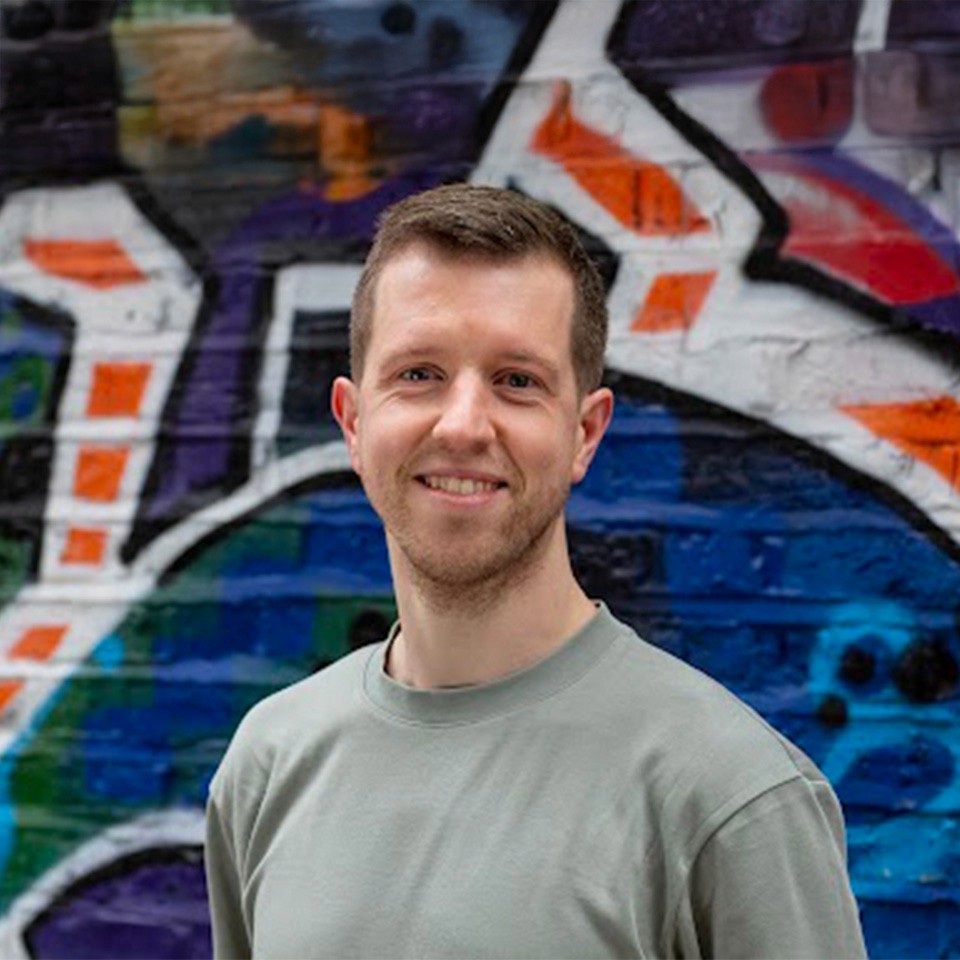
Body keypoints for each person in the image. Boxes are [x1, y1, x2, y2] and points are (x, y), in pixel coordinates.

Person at [204, 184, 867, 959]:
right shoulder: (268, 763)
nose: (462, 425)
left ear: (584, 433)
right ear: (354, 422)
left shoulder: (730, 797)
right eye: (418, 373)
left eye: (517, 380)